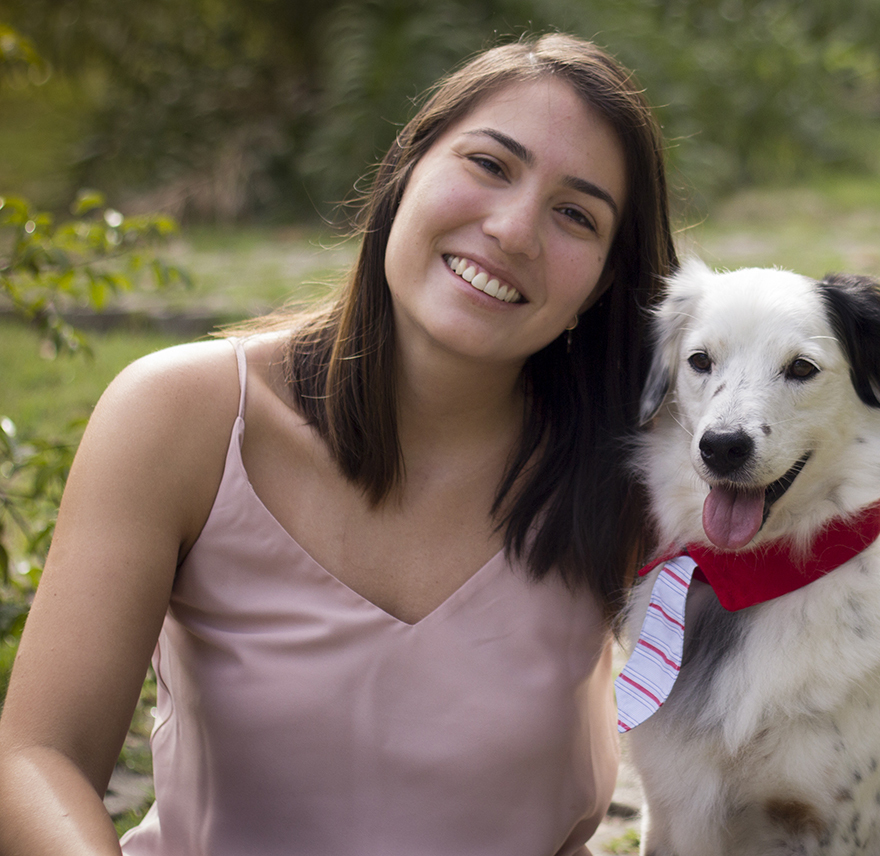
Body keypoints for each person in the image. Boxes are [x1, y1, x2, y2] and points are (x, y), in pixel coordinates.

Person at [0, 32, 678, 855]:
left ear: (603, 284)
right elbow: (37, 755)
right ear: (405, 172)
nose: (513, 229)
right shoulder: (186, 415)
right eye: (490, 165)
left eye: (576, 214)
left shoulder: (638, 477)